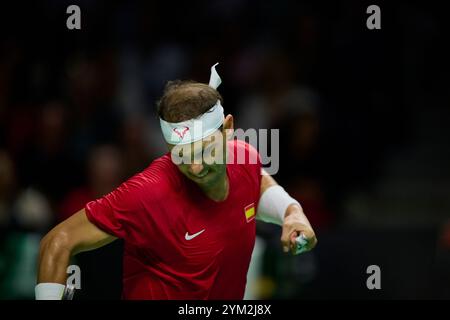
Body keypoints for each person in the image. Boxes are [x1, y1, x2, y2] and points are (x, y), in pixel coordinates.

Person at [35, 64, 317, 300]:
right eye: (182, 155)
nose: (195, 166)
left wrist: (292, 213)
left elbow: (256, 184)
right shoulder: (148, 192)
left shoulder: (245, 158)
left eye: (206, 150)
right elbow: (58, 241)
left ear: (228, 129)